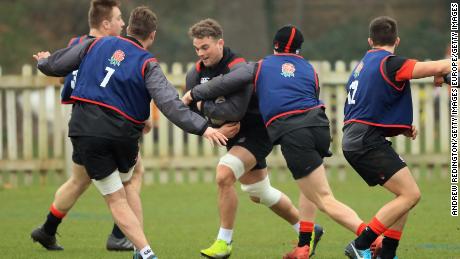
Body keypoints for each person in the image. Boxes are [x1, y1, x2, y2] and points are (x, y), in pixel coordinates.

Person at [33, 6, 227, 259]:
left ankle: (143, 251)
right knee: (129, 184)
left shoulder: (95, 45)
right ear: (152, 36)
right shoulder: (148, 63)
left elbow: (57, 66)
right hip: (123, 136)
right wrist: (203, 128)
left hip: (86, 130)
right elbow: (170, 104)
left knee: (115, 196)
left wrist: (43, 62)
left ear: (128, 28)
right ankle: (140, 250)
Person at [183, 25, 366, 259]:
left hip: (265, 131)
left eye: (205, 47)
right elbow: (312, 93)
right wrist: (208, 124)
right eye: (197, 48)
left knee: (225, 175)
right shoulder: (309, 69)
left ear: (220, 42)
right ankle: (306, 231)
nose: (200, 53)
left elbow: (233, 106)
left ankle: (224, 243)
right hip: (315, 126)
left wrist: (196, 99)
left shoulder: (251, 66)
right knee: (260, 191)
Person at [30, 0, 138, 252]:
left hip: (81, 124)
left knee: (79, 181)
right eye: (119, 18)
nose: (123, 24)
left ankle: (47, 229)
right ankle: (120, 234)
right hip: (104, 125)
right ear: (105, 23)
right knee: (133, 175)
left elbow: (61, 78)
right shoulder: (108, 49)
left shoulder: (75, 45)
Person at [339, 16, 451, 259]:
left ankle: (387, 254)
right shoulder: (391, 63)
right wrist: (449, 66)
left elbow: (368, 105)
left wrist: (397, 127)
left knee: (405, 194)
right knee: (411, 195)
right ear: (397, 41)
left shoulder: (362, 66)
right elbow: (433, 68)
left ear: (370, 41)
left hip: (357, 137)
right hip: (365, 140)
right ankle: (360, 244)